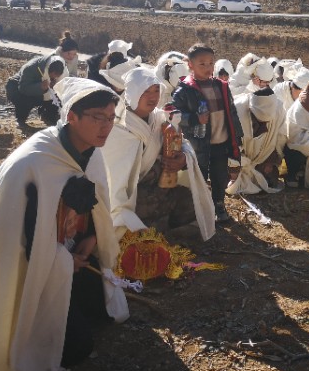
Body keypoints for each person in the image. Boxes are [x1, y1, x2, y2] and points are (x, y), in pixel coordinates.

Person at [0, 78, 128, 371]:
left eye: (111, 118)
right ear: (72, 116)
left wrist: (91, 240)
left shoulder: (91, 152)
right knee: (77, 348)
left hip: (69, 252)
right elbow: (24, 239)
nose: (106, 127)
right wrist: (63, 259)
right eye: (98, 117)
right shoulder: (34, 164)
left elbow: (94, 203)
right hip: (32, 264)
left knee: (103, 311)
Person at [102, 67, 215, 238]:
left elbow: (182, 143)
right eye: (146, 91)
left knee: (197, 202)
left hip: (162, 187)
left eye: (156, 90)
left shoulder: (159, 118)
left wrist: (183, 158)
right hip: (134, 195)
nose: (153, 96)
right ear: (133, 92)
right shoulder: (117, 127)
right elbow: (114, 178)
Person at [171, 44, 243, 222]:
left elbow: (232, 113)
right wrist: (195, 119)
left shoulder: (222, 87)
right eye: (202, 64)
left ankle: (219, 203)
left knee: (220, 176)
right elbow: (175, 115)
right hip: (199, 145)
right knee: (199, 177)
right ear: (190, 65)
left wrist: (237, 136)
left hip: (221, 141)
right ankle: (200, 208)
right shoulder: (184, 90)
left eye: (211, 63)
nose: (208, 68)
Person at [227, 85, 287, 194]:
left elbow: (280, 138)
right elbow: (231, 144)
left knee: (269, 180)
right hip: (240, 158)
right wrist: (234, 170)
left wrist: (272, 161)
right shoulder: (237, 110)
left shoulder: (278, 109)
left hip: (263, 156)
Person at [6, 54, 68, 126]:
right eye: (52, 77)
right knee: (25, 100)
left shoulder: (63, 70)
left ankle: (47, 116)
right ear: (48, 70)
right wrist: (40, 87)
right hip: (17, 87)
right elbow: (23, 88)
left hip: (42, 91)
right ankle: (21, 119)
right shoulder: (31, 68)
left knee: (56, 100)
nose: (53, 78)